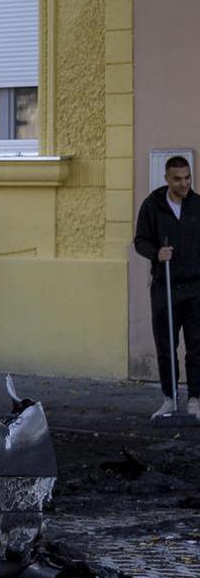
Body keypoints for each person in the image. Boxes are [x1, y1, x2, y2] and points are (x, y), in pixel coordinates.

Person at [132, 154, 200, 419]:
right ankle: (169, 399)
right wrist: (156, 253)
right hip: (165, 287)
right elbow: (140, 240)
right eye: (178, 179)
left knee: (196, 346)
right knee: (165, 346)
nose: (184, 184)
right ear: (166, 179)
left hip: (195, 287)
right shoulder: (152, 206)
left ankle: (195, 399)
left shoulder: (197, 205)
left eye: (187, 178)